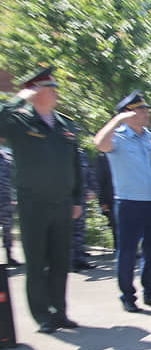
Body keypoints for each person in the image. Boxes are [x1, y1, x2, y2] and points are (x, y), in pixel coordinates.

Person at [0, 65, 82, 333]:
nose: (56, 92)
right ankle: (42, 315)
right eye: (50, 88)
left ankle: (59, 311)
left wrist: (78, 199)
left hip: (62, 203)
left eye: (55, 87)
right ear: (35, 92)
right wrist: (19, 97)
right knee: (37, 262)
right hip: (33, 204)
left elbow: (75, 166)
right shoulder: (20, 121)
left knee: (60, 261)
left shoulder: (65, 125)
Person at [94, 90, 151, 313]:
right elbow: (98, 143)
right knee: (127, 252)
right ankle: (127, 295)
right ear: (127, 114)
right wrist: (116, 121)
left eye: (146, 109)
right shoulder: (118, 138)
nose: (146, 113)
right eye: (141, 110)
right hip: (128, 203)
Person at [71, 147, 98, 271]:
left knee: (79, 230)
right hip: (64, 198)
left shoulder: (81, 154)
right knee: (67, 230)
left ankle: (79, 260)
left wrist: (93, 189)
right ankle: (69, 261)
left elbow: (90, 173)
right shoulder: (60, 150)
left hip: (80, 198)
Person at [0, 141, 21, 266]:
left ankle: (9, 256)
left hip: (6, 199)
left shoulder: (7, 155)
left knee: (8, 230)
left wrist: (14, 196)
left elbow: (13, 178)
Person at [95, 151, 117, 250]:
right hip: (110, 196)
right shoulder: (103, 157)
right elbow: (100, 180)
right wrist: (102, 201)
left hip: (126, 194)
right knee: (116, 225)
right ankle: (119, 247)